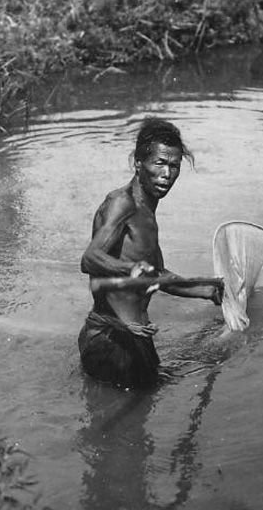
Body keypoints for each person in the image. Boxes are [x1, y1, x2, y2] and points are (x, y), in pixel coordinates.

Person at [78, 116, 223, 389]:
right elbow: (90, 259)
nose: (167, 174)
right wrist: (133, 271)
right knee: (134, 417)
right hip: (112, 341)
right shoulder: (122, 204)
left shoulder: (146, 212)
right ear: (138, 163)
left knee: (153, 402)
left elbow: (156, 274)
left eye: (174, 166)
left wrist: (207, 289)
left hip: (135, 337)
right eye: (159, 163)